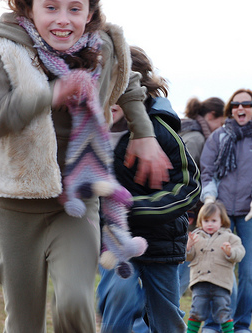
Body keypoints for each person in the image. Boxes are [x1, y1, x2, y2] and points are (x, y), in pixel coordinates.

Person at [0, 1, 171, 331]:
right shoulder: (8, 53)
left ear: (89, 14)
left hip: (75, 204)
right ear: (29, 10)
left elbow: (127, 80)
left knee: (75, 303)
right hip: (15, 210)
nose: (63, 19)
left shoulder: (103, 49)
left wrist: (143, 133)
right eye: (51, 7)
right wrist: (50, 94)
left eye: (74, 9)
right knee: (23, 323)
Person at [96, 45, 201, 333]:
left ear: (139, 89)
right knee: (117, 297)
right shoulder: (89, 134)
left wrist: (134, 208)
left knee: (165, 317)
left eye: (120, 86)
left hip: (162, 242)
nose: (111, 96)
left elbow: (189, 185)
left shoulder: (161, 132)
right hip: (114, 243)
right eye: (104, 83)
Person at [200, 88, 252, 333]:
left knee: (247, 271)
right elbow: (207, 172)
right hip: (221, 213)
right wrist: (209, 197)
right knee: (220, 267)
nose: (240, 108)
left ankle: (242, 324)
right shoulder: (218, 138)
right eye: (235, 105)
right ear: (230, 110)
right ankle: (215, 324)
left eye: (246, 104)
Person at [178, 96, 226, 296]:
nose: (221, 129)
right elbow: (183, 175)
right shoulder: (196, 138)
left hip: (183, 210)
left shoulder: (188, 131)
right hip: (184, 211)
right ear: (211, 116)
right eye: (221, 123)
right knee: (180, 267)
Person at [186, 201, 245, 333]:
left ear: (222, 221)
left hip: (221, 283)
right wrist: (188, 246)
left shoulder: (230, 238)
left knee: (223, 311)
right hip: (200, 282)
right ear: (200, 222)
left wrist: (230, 252)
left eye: (214, 220)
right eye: (206, 221)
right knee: (196, 310)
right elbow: (188, 257)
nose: (210, 224)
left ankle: (228, 331)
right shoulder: (195, 237)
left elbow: (240, 253)